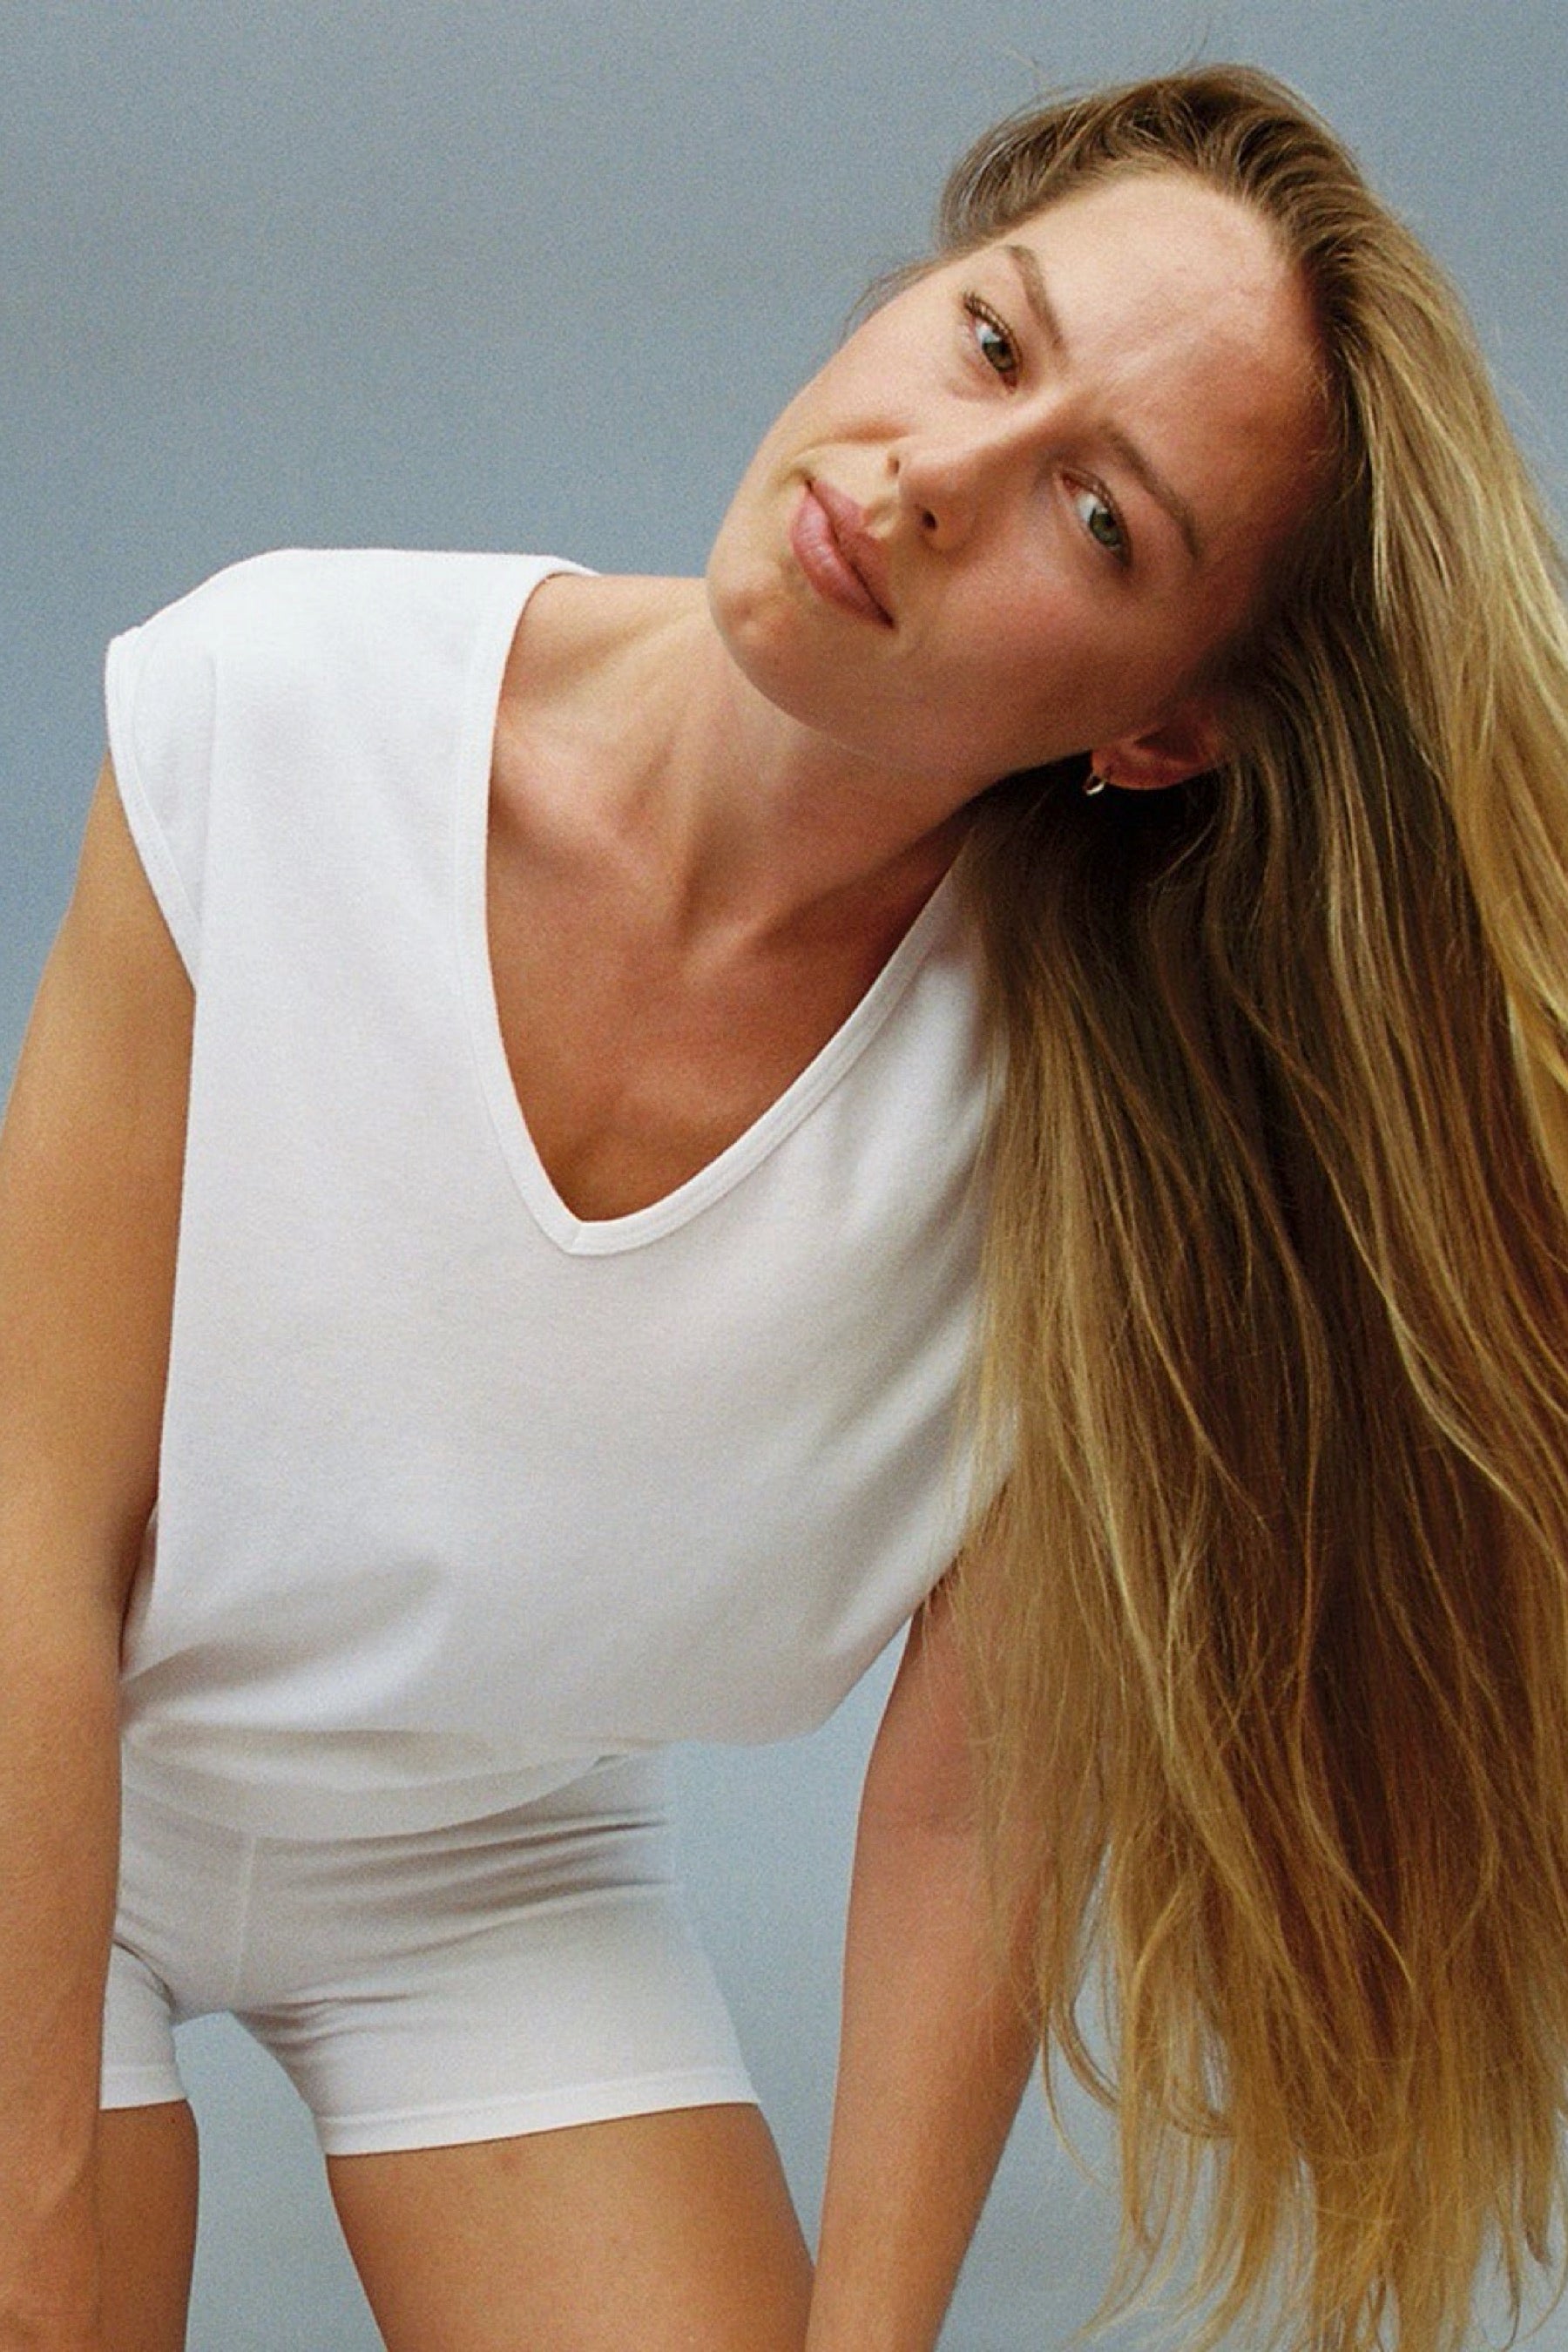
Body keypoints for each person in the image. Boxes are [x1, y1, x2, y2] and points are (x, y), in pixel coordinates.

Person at [2, 57, 1565, 2352]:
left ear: (1163, 732)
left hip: (487, 1871)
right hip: (46, 1754)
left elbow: (975, 1812)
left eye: (1096, 519)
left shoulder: (1094, 1146)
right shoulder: (278, 707)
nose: (933, 476)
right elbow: (30, 1526)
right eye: (992, 339)